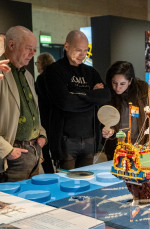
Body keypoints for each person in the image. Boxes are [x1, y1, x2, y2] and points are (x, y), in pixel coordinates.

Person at [0, 26, 47, 183]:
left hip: (34, 152)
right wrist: (7, 151)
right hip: (13, 158)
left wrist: (41, 134)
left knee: (37, 204)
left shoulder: (27, 74)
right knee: (16, 206)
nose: (33, 53)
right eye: (28, 48)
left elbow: (32, 111)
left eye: (34, 49)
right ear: (12, 45)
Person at [45, 30, 111, 170]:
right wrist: (92, 94)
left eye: (86, 51)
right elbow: (65, 102)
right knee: (67, 184)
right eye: (78, 50)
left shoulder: (90, 72)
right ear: (67, 46)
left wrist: (77, 94)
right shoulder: (54, 71)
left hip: (90, 138)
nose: (83, 55)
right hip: (66, 141)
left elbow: (105, 96)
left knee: (86, 182)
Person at [102, 61, 149, 160]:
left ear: (130, 81)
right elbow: (107, 119)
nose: (117, 88)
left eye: (122, 84)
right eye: (114, 83)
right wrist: (109, 131)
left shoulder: (142, 89)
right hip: (116, 147)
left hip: (139, 144)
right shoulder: (108, 93)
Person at [35, 53, 55, 173]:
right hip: (56, 119)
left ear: (41, 64)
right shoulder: (55, 78)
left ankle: (50, 174)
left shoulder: (41, 79)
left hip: (44, 118)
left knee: (45, 150)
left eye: (37, 63)